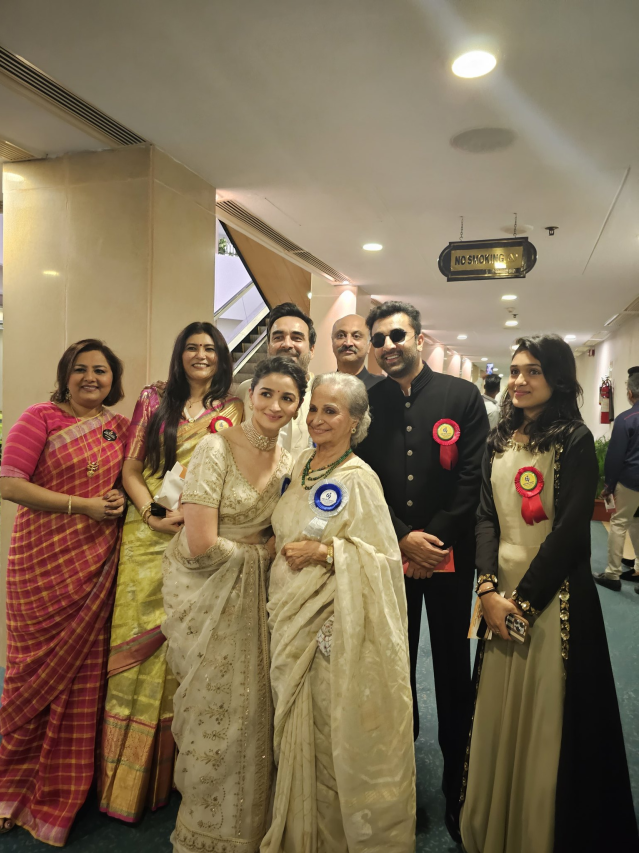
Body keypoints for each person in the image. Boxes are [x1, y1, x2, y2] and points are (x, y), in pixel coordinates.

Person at [461, 335, 639, 853]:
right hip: (500, 588)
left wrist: (521, 601)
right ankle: (495, 820)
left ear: (557, 379)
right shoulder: (498, 439)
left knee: (547, 715)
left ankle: (535, 830)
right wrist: (489, 588)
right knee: (497, 705)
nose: (518, 380)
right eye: (514, 370)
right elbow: (485, 516)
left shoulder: (575, 439)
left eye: (532, 371)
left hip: (553, 592)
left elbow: (569, 533)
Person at [262, 372, 415, 852]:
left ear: (355, 421)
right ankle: (295, 829)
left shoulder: (359, 479)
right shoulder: (303, 462)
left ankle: (327, 839)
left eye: (331, 411)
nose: (317, 419)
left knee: (325, 730)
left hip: (329, 623)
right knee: (289, 726)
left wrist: (327, 554)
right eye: (314, 409)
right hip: (285, 610)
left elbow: (385, 561)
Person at [161, 355, 306, 853]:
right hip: (213, 593)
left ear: (296, 409)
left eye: (287, 398)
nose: (275, 405)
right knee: (215, 709)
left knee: (256, 711)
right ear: (249, 395)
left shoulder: (288, 463)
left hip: (261, 600)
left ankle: (251, 829)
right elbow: (200, 543)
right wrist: (260, 553)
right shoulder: (215, 448)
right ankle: (207, 832)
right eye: (267, 393)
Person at [356, 300, 488, 842]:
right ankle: (398, 790)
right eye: (380, 339)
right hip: (390, 556)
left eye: (397, 335)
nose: (389, 346)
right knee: (393, 671)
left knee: (455, 674)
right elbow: (359, 473)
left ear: (419, 337)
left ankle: (460, 789)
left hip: (450, 559)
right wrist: (402, 537)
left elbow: (473, 476)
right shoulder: (366, 400)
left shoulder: (462, 396)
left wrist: (434, 539)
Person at [99, 322, 242, 823]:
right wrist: (150, 514)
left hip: (199, 534)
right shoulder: (153, 398)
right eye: (192, 348)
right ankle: (128, 783)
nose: (200, 356)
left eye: (210, 349)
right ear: (179, 355)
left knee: (190, 650)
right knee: (139, 649)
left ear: (223, 358)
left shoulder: (234, 408)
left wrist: (190, 519)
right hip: (148, 535)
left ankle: (185, 775)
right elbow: (132, 467)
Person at [0, 339, 129, 845]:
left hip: (94, 568)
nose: (90, 378)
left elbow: (130, 477)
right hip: (41, 565)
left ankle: (63, 791)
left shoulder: (119, 428)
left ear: (112, 379)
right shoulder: (40, 418)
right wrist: (84, 506)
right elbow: (9, 484)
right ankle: (10, 784)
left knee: (82, 680)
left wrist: (116, 496)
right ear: (65, 375)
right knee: (32, 671)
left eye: (100, 370)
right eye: (81, 370)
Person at [239, 302, 315, 458]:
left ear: (311, 350)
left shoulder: (321, 394)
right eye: (278, 337)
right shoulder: (245, 392)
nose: (287, 344)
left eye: (296, 338)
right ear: (268, 347)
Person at [594, 371, 639, 591]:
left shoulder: (626, 419)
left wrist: (608, 486)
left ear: (630, 393)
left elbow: (615, 456)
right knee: (638, 523)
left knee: (620, 524)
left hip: (631, 481)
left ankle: (612, 574)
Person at [331, 313, 383, 390]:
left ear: (369, 346)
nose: (348, 343)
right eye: (341, 336)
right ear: (332, 343)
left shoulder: (382, 387)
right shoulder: (322, 387)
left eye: (356, 336)